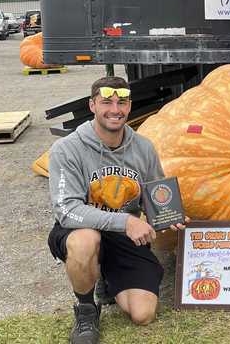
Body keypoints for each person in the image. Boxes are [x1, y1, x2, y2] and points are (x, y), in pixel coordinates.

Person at [47, 76, 187, 344]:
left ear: (129, 106)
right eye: (107, 102)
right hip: (82, 228)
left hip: (124, 236)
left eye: (122, 102)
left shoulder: (143, 147)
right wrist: (125, 221)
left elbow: (154, 196)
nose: (115, 109)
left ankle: (106, 278)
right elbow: (66, 209)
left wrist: (169, 215)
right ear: (92, 105)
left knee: (143, 313)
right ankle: (87, 309)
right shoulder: (67, 149)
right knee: (87, 240)